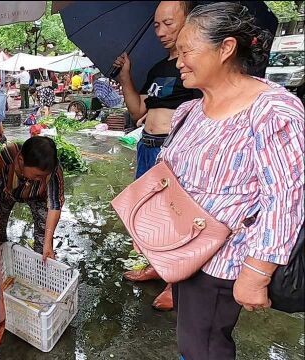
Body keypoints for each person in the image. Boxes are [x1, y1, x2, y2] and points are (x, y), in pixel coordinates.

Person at [162, 3, 305, 358]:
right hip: (184, 252)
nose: (177, 61)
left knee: (204, 346)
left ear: (225, 48)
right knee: (191, 340)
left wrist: (257, 270)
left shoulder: (272, 110)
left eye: (186, 51)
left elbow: (285, 197)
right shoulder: (189, 111)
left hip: (224, 259)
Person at [113, 0, 201, 311]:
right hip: (147, 147)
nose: (160, 32)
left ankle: (175, 285)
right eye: (156, 25)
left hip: (174, 152)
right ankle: (158, 267)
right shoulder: (158, 68)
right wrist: (126, 75)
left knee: (177, 219)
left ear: (189, 21)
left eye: (168, 23)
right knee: (150, 216)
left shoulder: (197, 67)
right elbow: (138, 110)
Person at [0, 136, 65, 261]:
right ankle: (0, 257)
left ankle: (41, 264)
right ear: (21, 160)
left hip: (39, 196)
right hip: (7, 193)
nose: (41, 179)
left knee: (44, 239)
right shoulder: (5, 160)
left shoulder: (54, 168)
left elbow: (54, 206)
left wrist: (48, 243)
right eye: (38, 175)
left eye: (44, 176)